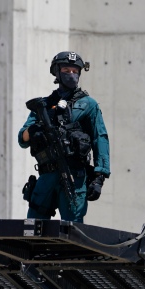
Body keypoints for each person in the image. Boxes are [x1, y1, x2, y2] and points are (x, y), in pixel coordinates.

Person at [18, 51, 110, 223]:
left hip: (73, 176)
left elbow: (100, 138)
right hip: (46, 176)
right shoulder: (43, 105)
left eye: (75, 71)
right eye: (66, 70)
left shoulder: (88, 105)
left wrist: (99, 176)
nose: (71, 75)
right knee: (33, 228)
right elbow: (22, 139)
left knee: (73, 229)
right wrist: (35, 130)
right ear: (57, 72)